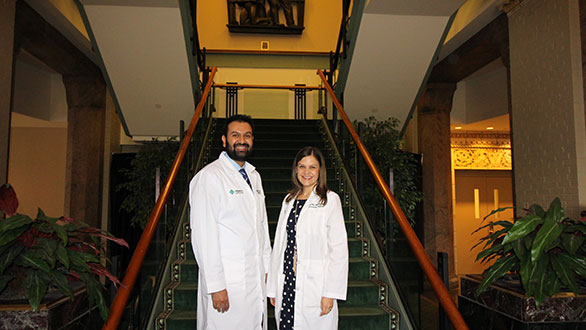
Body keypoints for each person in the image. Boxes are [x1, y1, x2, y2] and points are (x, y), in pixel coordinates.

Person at [189, 114, 271, 330]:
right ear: (224, 140)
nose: (242, 140)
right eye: (235, 135)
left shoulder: (254, 176)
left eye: (247, 136)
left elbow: (261, 227)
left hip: (255, 280)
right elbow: (204, 236)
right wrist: (216, 286)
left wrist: (267, 267)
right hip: (227, 282)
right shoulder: (209, 177)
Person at [267, 146, 348, 330]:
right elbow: (280, 245)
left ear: (320, 170)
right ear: (296, 169)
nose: (307, 172)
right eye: (302, 166)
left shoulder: (329, 200)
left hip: (316, 286)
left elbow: (339, 249)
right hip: (287, 281)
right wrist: (272, 286)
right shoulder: (289, 199)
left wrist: (330, 292)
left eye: (312, 167)